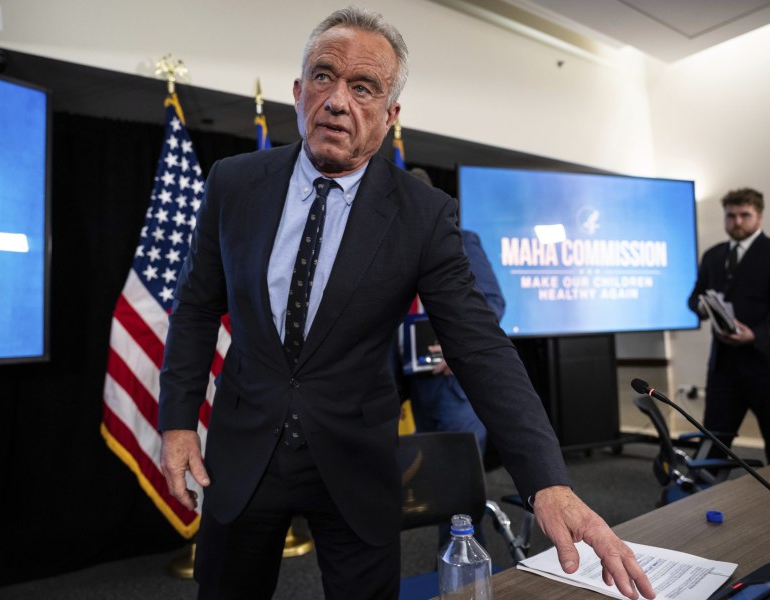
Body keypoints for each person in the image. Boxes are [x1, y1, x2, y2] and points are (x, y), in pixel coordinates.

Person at [158, 7, 655, 600]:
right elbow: (194, 307)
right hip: (242, 453)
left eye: (363, 87)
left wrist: (547, 482)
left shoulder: (423, 215)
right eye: (323, 77)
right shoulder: (234, 183)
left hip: (355, 463)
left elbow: (480, 348)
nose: (338, 100)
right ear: (297, 92)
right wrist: (177, 420)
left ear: (390, 115)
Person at [403, 168, 505, 455]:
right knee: (428, 474)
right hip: (416, 382)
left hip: (455, 380)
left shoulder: (461, 240)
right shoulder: (400, 248)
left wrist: (460, 348)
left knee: (460, 471)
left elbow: (493, 302)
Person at [688, 187, 770, 463]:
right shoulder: (713, 256)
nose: (736, 222)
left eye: (744, 215)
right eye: (730, 215)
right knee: (713, 442)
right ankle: (708, 504)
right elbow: (694, 298)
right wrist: (701, 307)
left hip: (764, 366)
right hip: (724, 368)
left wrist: (755, 335)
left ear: (758, 217)